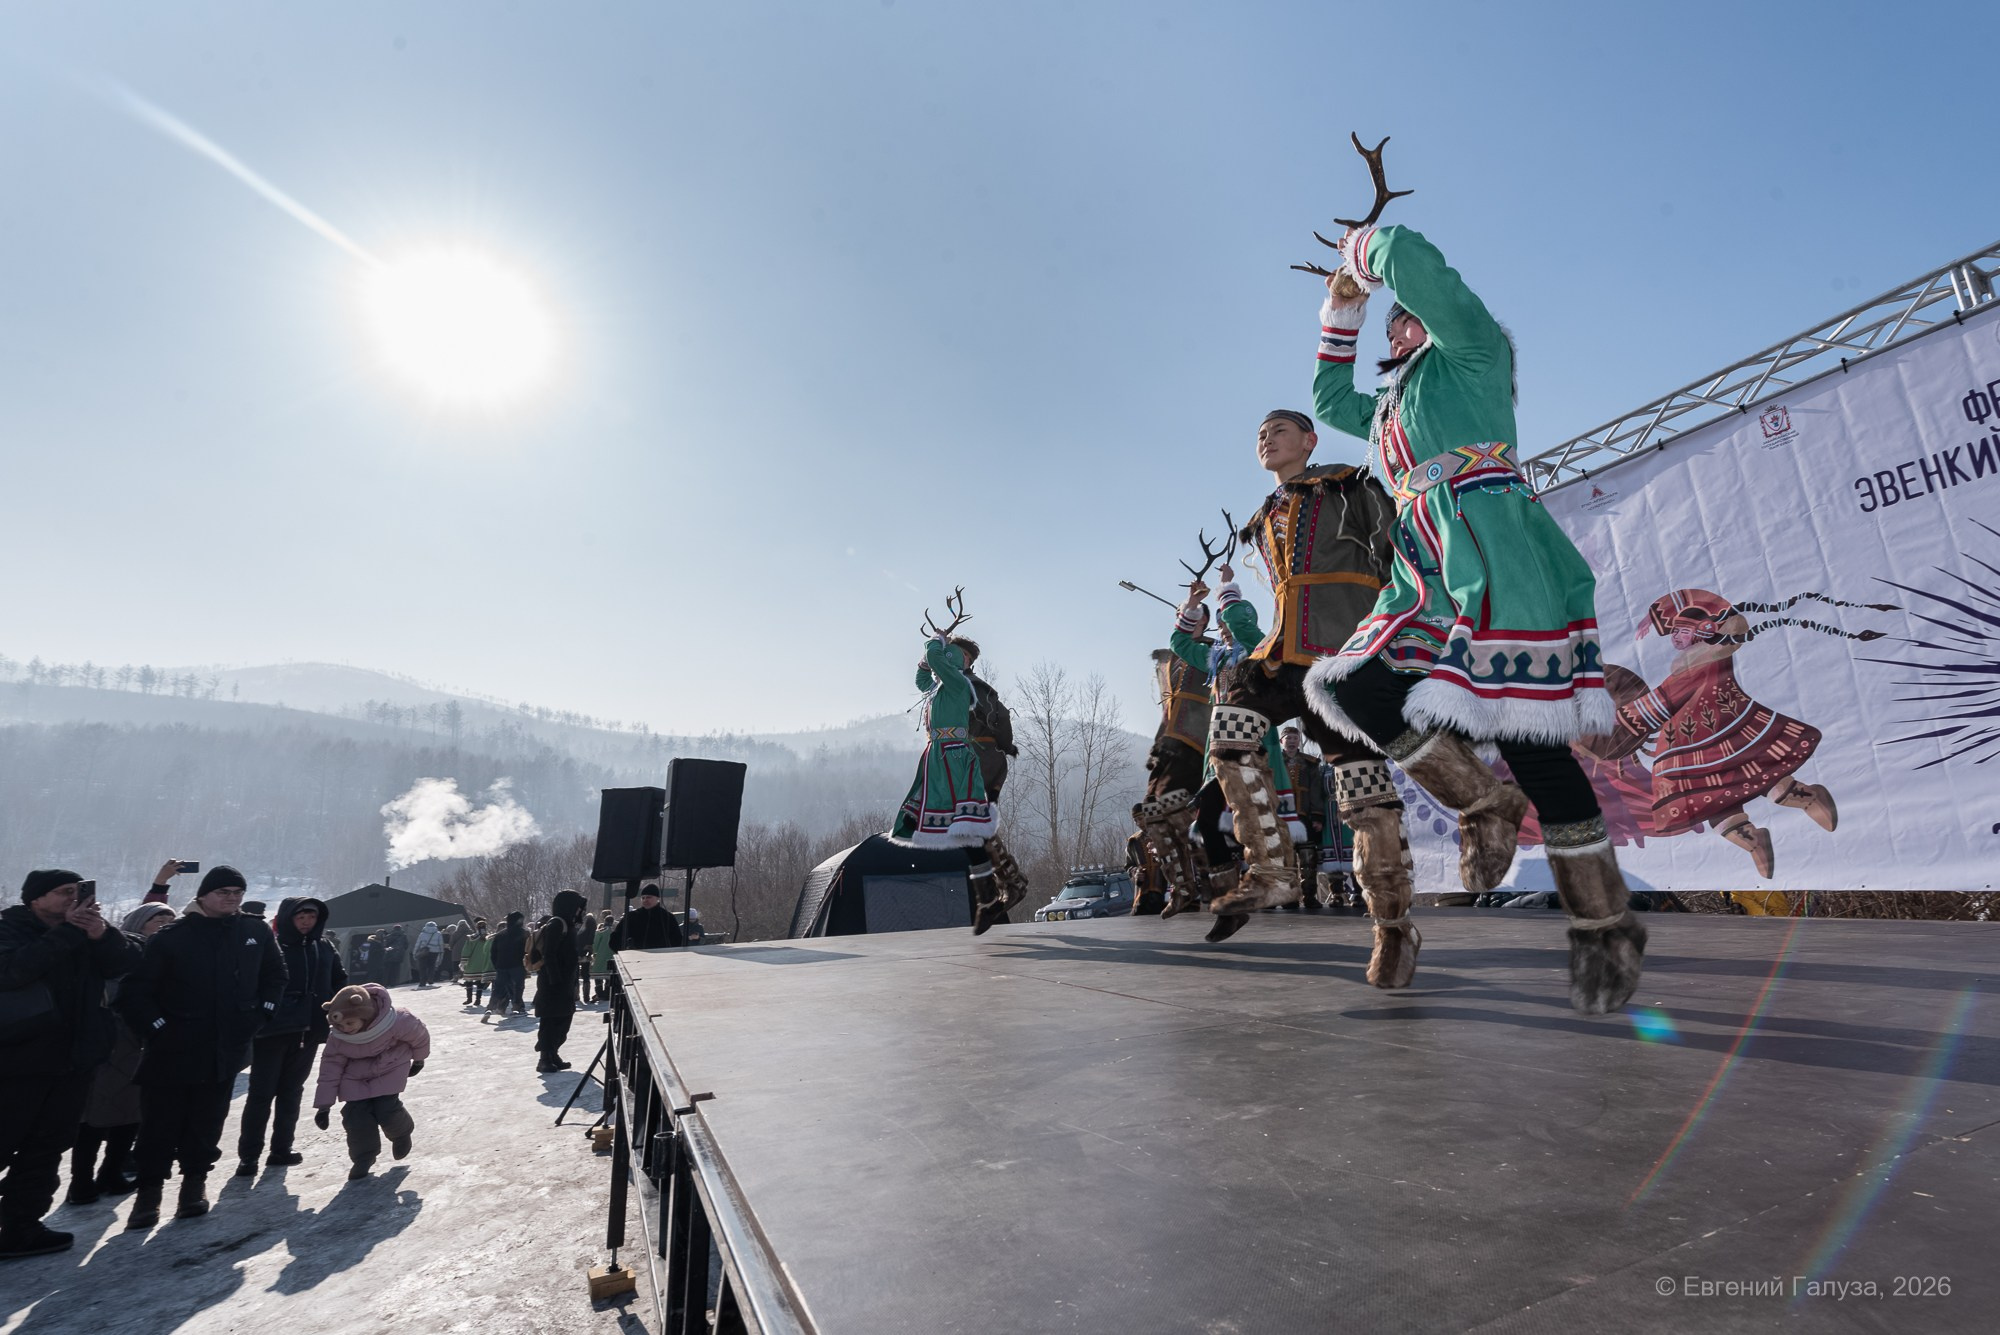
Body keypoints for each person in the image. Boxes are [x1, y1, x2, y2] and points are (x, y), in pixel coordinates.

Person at [1306, 223, 1646, 1013]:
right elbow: (1327, 399)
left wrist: (1365, 253)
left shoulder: (1474, 352)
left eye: (1404, 313)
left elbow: (1417, 265)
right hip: (1422, 564)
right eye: (1389, 322)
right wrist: (1340, 309)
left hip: (1491, 549)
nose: (1397, 322)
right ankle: (1483, 803)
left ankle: (1604, 924)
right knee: (1353, 684)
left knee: (1536, 749)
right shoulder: (1391, 405)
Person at [116, 865, 285, 1229]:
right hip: (173, 1049)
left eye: (237, 893)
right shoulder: (171, 936)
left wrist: (261, 1013)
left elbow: (276, 974)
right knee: (159, 1124)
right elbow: (135, 992)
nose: (232, 898)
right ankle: (148, 1195)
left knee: (207, 1123)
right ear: (204, 895)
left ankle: (194, 1187)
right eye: (224, 892)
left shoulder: (254, 930)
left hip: (225, 1048)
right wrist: (157, 1028)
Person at [0, 871, 143, 1259]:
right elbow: (13, 972)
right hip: (15, 1064)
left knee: (45, 1148)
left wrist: (100, 934)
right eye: (65, 893)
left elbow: (128, 962)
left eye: (79, 893)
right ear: (35, 899)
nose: (73, 900)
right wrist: (68, 933)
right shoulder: (10, 928)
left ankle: (19, 1228)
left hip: (73, 1062)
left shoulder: (86, 931)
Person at [888, 631, 1011, 933]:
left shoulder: (958, 683)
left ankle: (989, 895)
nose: (953, 656)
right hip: (938, 758)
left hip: (954, 758)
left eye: (960, 654)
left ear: (966, 661)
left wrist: (935, 641)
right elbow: (921, 680)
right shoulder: (941, 687)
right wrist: (930, 657)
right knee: (960, 831)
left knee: (967, 828)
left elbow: (933, 658)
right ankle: (988, 896)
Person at [68, 902, 175, 1206]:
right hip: (109, 1040)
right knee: (92, 1117)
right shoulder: (110, 949)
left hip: (143, 1041)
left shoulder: (163, 953)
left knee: (131, 1114)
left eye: (170, 919)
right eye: (158, 918)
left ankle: (111, 1173)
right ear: (140, 922)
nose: (165, 923)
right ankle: (81, 1181)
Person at [236, 896, 344, 1176]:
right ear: (288, 918)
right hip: (272, 1031)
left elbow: (339, 980)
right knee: (261, 1094)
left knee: (291, 1092)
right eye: (301, 917)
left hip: (309, 1031)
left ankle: (281, 1149)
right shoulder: (271, 946)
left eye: (312, 917)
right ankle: (248, 1156)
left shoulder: (324, 948)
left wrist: (334, 1005)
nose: (307, 922)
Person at [311, 984, 430, 1181]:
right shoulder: (338, 1038)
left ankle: (401, 1133)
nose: (345, 1030)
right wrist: (324, 1106)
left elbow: (419, 1036)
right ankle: (363, 1158)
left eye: (350, 1024)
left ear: (365, 1016)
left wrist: (419, 1059)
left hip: (390, 1066)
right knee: (355, 1117)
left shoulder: (396, 1020)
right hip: (355, 1076)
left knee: (386, 1108)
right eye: (340, 1026)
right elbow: (330, 1069)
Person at [533, 891, 585, 1073]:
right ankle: (544, 1058)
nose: (580, 910)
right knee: (551, 1020)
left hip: (565, 982)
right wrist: (556, 980)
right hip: (553, 984)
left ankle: (554, 1053)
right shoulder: (557, 924)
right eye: (578, 905)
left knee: (563, 1019)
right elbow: (549, 954)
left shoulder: (567, 924)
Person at [1279, 726, 1327, 913]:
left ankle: (1309, 896)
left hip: (1304, 816)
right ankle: (1290, 897)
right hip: (1282, 818)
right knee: (1287, 860)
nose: (1292, 741)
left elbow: (1315, 791)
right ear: (1282, 741)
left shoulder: (1310, 763)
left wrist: (1317, 816)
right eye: (1288, 738)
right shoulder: (1273, 763)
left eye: (1295, 738)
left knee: (1308, 859)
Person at [610, 887, 683, 951]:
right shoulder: (632, 916)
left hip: (661, 960)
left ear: (657, 898)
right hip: (635, 960)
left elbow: (677, 940)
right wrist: (625, 954)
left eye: (649, 897)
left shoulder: (667, 917)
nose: (645, 900)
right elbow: (615, 939)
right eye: (643, 898)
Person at [487, 912, 528, 1016]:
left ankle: (490, 1008)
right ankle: (517, 1008)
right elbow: (528, 950)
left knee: (498, 988)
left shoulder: (500, 935)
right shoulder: (524, 933)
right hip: (517, 965)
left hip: (501, 966)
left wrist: (497, 965)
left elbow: (493, 952)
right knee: (518, 987)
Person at [460, 919, 492, 1007]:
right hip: (483, 963)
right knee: (480, 982)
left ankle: (469, 998)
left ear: (476, 927)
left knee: (469, 980)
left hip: (472, 963)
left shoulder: (471, 938)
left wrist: (463, 961)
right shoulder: (489, 938)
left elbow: (466, 950)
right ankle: (478, 999)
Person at [591, 914, 615, 1002]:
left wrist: (594, 952)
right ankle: (607, 993)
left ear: (605, 921)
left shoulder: (601, 931)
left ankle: (599, 993)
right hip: (612, 956)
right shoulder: (615, 931)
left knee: (598, 976)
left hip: (601, 956)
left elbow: (595, 945)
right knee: (609, 976)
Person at [575, 912, 598, 1003]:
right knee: (586, 974)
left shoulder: (577, 923)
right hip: (586, 951)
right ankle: (586, 996)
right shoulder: (591, 923)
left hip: (576, 950)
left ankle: (575, 995)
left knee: (575, 974)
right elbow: (592, 937)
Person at [412, 920, 443, 987]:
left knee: (422, 967)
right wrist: (441, 952)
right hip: (434, 952)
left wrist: (414, 953)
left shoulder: (422, 934)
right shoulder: (438, 934)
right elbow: (441, 944)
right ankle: (430, 979)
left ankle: (422, 982)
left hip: (423, 952)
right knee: (432, 966)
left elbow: (417, 944)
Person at [382, 923, 409, 987]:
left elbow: (385, 945)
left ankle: (385, 983)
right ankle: (393, 983)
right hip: (399, 955)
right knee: (395, 970)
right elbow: (406, 945)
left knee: (387, 970)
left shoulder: (389, 936)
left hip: (389, 954)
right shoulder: (404, 936)